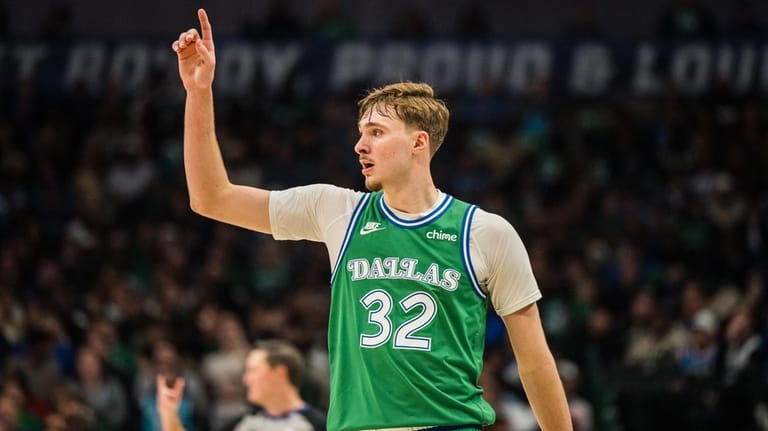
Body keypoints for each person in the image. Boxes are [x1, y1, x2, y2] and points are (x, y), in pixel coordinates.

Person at [170, 9, 572, 431]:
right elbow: (212, 198)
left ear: (419, 142)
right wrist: (199, 94)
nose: (360, 145)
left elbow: (535, 362)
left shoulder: (486, 233)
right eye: (360, 133)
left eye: (376, 132)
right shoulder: (336, 210)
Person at [157, 340, 326, 431]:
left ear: (279, 373)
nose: (246, 379)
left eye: (253, 370)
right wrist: (169, 414)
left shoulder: (318, 425)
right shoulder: (243, 424)